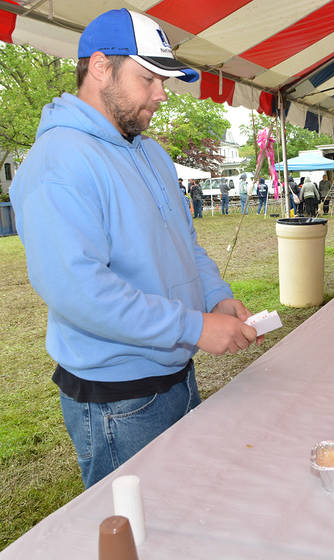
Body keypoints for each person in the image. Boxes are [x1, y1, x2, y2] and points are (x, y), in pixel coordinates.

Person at [9, 8, 260, 489]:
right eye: (148, 79)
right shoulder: (58, 161)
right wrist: (194, 326)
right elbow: (79, 291)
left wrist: (216, 299)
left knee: (187, 514)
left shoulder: (151, 152)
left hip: (175, 371)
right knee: (137, 532)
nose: (162, 95)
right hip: (117, 399)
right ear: (101, 66)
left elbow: (183, 243)